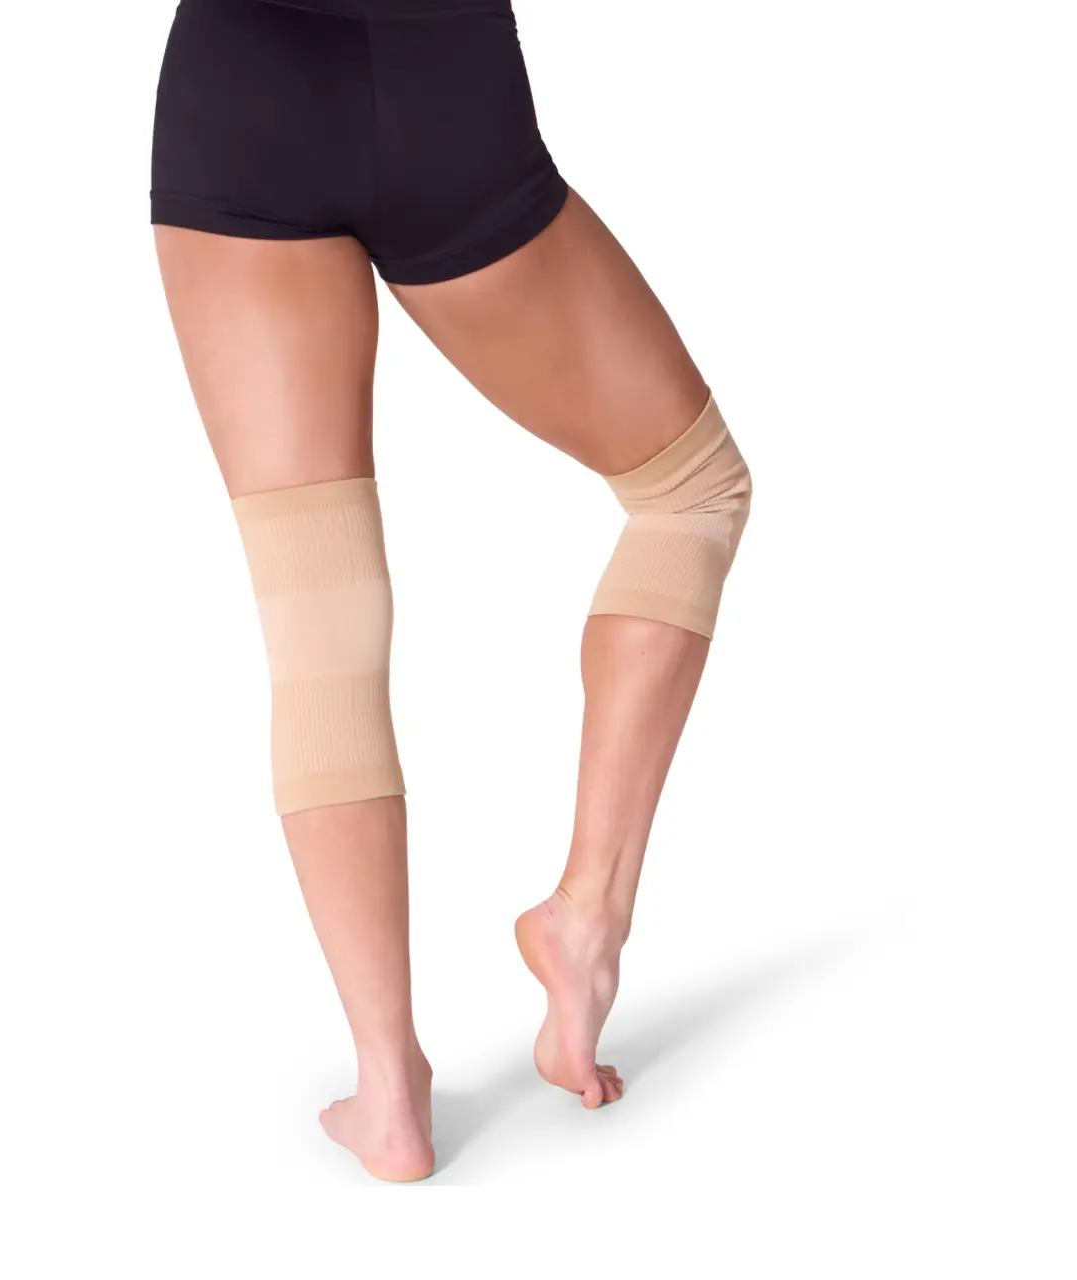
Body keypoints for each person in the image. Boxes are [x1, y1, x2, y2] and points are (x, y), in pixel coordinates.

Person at [150, 0, 752, 1182]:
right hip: (440, 82)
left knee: (318, 616)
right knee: (689, 492)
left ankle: (389, 1093)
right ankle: (586, 917)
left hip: (241, 87)